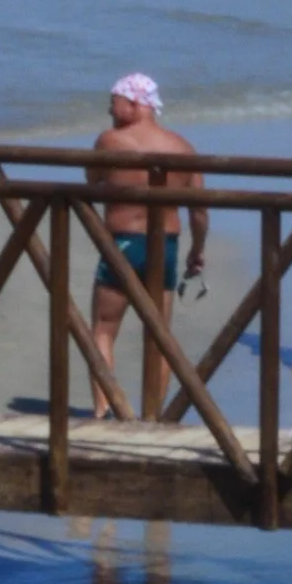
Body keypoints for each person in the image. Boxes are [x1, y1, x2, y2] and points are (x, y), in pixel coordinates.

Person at [86, 73, 209, 417]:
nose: (109, 110)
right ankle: (153, 415)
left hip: (122, 244)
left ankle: (104, 410)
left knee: (104, 329)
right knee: (159, 335)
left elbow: (92, 180)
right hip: (165, 247)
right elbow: (199, 211)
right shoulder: (183, 147)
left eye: (114, 103)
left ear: (135, 103)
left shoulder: (110, 142)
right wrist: (197, 251)